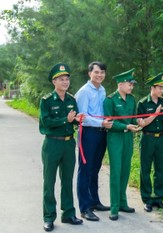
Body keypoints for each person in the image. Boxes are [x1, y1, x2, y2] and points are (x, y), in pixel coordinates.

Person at [39, 63, 84, 231]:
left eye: (67, 79)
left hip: (68, 143)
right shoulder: (47, 101)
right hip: (52, 144)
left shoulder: (72, 100)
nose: (65, 82)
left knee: (67, 180)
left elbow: (74, 120)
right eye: (61, 79)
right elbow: (46, 122)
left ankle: (69, 213)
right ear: (54, 81)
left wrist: (78, 120)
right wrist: (66, 119)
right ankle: (49, 217)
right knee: (49, 182)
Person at [103, 68, 143, 220]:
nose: (131, 87)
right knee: (116, 172)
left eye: (132, 85)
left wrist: (137, 122)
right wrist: (126, 126)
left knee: (125, 170)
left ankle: (122, 202)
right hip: (115, 138)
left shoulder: (132, 99)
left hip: (128, 138)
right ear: (120, 84)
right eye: (129, 84)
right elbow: (108, 122)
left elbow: (132, 118)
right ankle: (114, 207)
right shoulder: (110, 100)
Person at [75, 61, 112, 222]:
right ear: (89, 73)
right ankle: (84, 208)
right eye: (96, 72)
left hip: (101, 133)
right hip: (88, 133)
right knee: (85, 170)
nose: (100, 75)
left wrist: (107, 121)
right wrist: (101, 123)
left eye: (102, 72)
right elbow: (82, 117)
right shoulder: (84, 92)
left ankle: (94, 201)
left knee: (95, 169)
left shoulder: (102, 89)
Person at [137, 72, 163, 212]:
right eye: (159, 87)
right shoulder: (143, 103)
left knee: (160, 169)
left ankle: (158, 198)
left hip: (161, 138)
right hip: (147, 138)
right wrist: (155, 114)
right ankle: (147, 199)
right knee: (145, 169)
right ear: (152, 87)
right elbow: (142, 124)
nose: (162, 90)